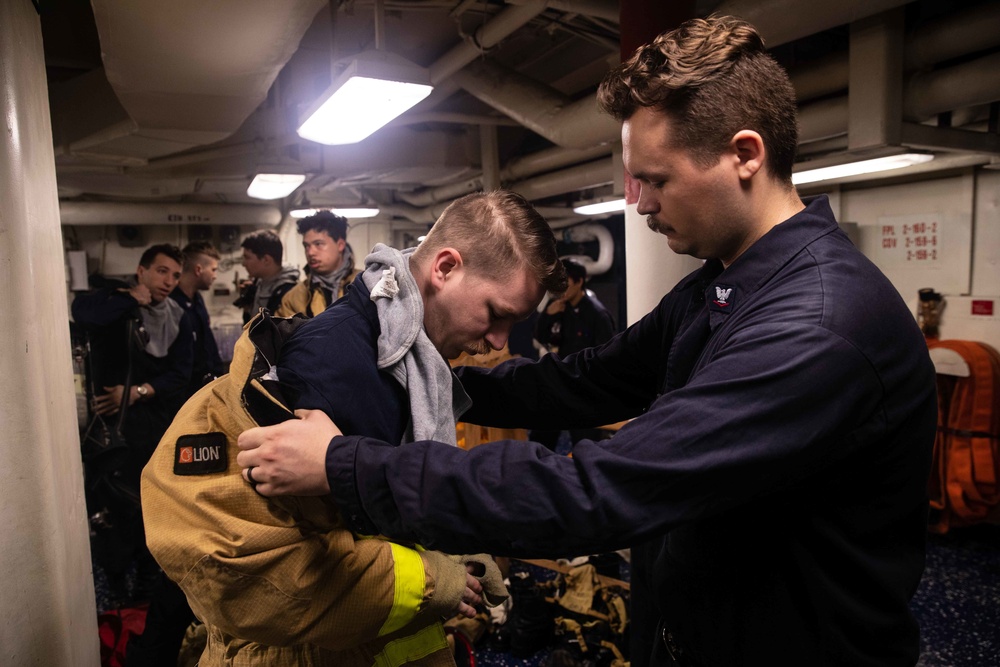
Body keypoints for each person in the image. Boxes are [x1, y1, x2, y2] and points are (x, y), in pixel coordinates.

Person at [236, 17, 938, 667]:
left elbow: (594, 490)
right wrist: (433, 373)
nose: (638, 201)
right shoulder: (724, 283)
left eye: (655, 178)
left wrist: (348, 465)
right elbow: (592, 378)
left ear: (744, 155)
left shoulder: (816, 326)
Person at [141, 190, 566, 666]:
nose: (498, 341)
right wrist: (432, 579)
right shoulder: (337, 367)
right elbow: (276, 572)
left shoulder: (408, 366)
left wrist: (453, 549)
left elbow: (382, 511)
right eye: (496, 313)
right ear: (444, 268)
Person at [72, 244, 195, 664]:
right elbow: (83, 312)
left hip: (156, 431)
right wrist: (128, 298)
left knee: (152, 517)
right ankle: (113, 618)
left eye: (175, 275)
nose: (167, 281)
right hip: (115, 439)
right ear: (140, 271)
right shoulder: (116, 304)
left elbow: (183, 372)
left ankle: (141, 610)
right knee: (116, 521)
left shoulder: (179, 316)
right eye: (161, 271)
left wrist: (139, 391)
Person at [532, 257, 615, 451]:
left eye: (565, 283)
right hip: (560, 383)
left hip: (584, 390)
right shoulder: (559, 306)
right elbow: (540, 335)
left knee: (585, 446)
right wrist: (547, 315)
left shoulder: (597, 314)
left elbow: (606, 356)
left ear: (579, 282)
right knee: (541, 437)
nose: (560, 290)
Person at [275, 211, 357, 318]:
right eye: (306, 246)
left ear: (340, 245)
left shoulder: (367, 285)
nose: (310, 252)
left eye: (318, 244)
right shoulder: (293, 299)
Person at [171, 240, 225, 395]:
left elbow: (206, 341)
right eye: (213, 270)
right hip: (183, 391)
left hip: (205, 385)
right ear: (198, 269)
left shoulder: (197, 299)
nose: (215, 276)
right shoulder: (172, 303)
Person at [233, 229, 299, 323]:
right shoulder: (258, 283)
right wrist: (247, 306)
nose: (243, 264)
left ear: (266, 260)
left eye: (247, 258)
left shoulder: (289, 291)